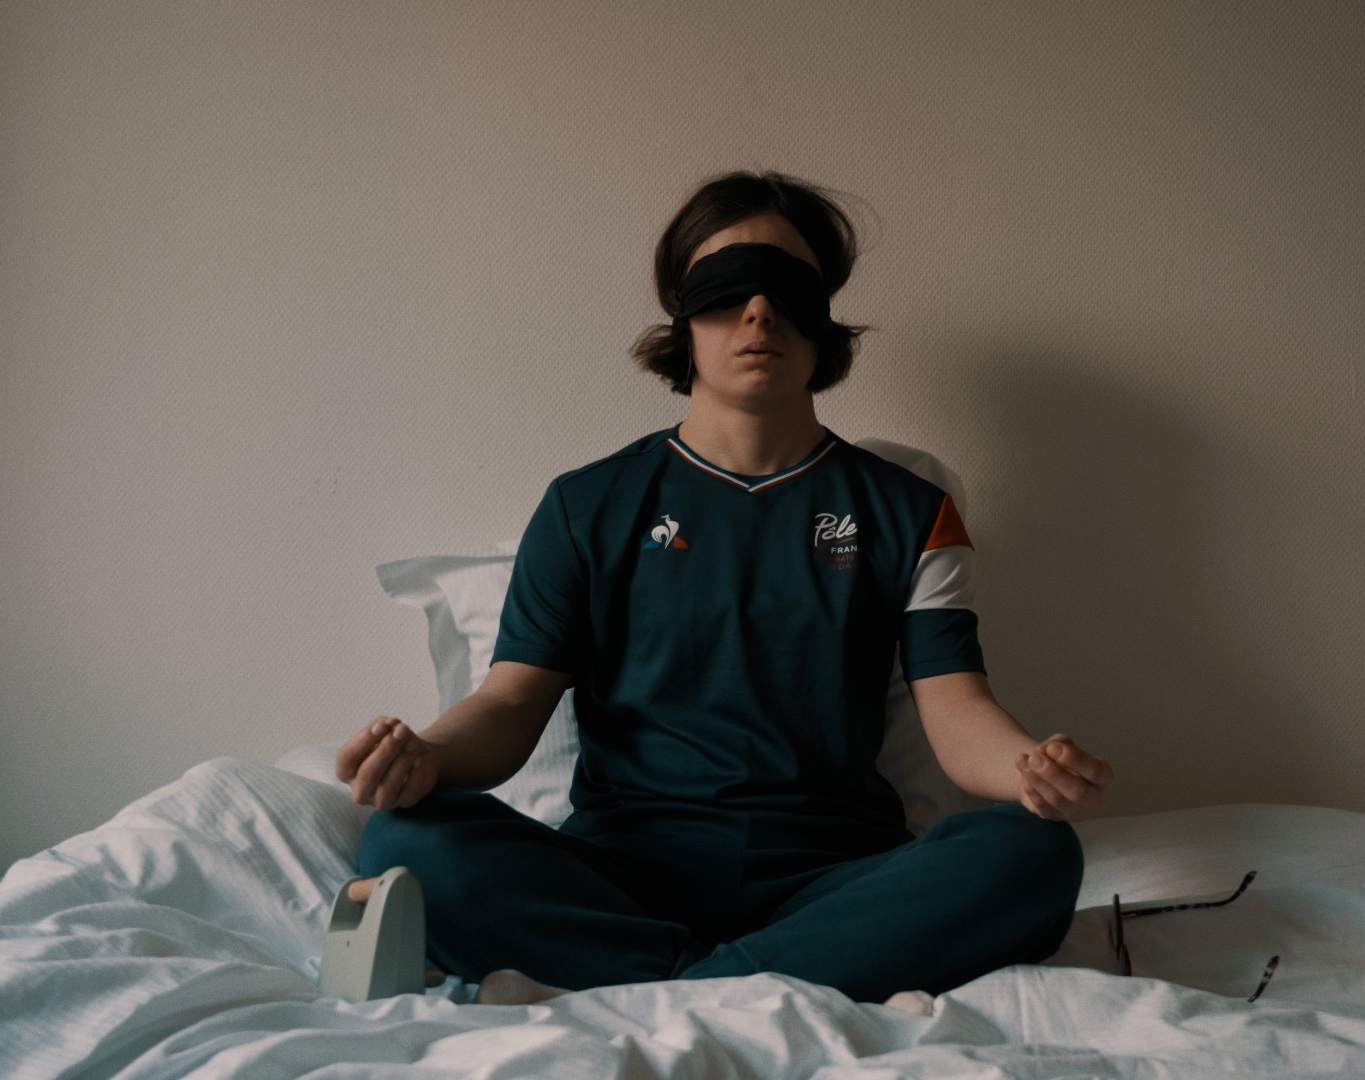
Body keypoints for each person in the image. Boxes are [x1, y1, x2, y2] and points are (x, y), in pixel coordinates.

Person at [335, 170, 1114, 1009]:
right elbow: (510, 702)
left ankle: (661, 990)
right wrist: (427, 757)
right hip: (621, 874)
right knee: (402, 844)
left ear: (823, 317)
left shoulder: (911, 511)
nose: (758, 313)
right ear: (682, 317)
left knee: (1031, 853)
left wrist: (1027, 768)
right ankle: (750, 985)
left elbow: (957, 709)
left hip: (834, 880)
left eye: (786, 290)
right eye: (726, 288)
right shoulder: (584, 507)